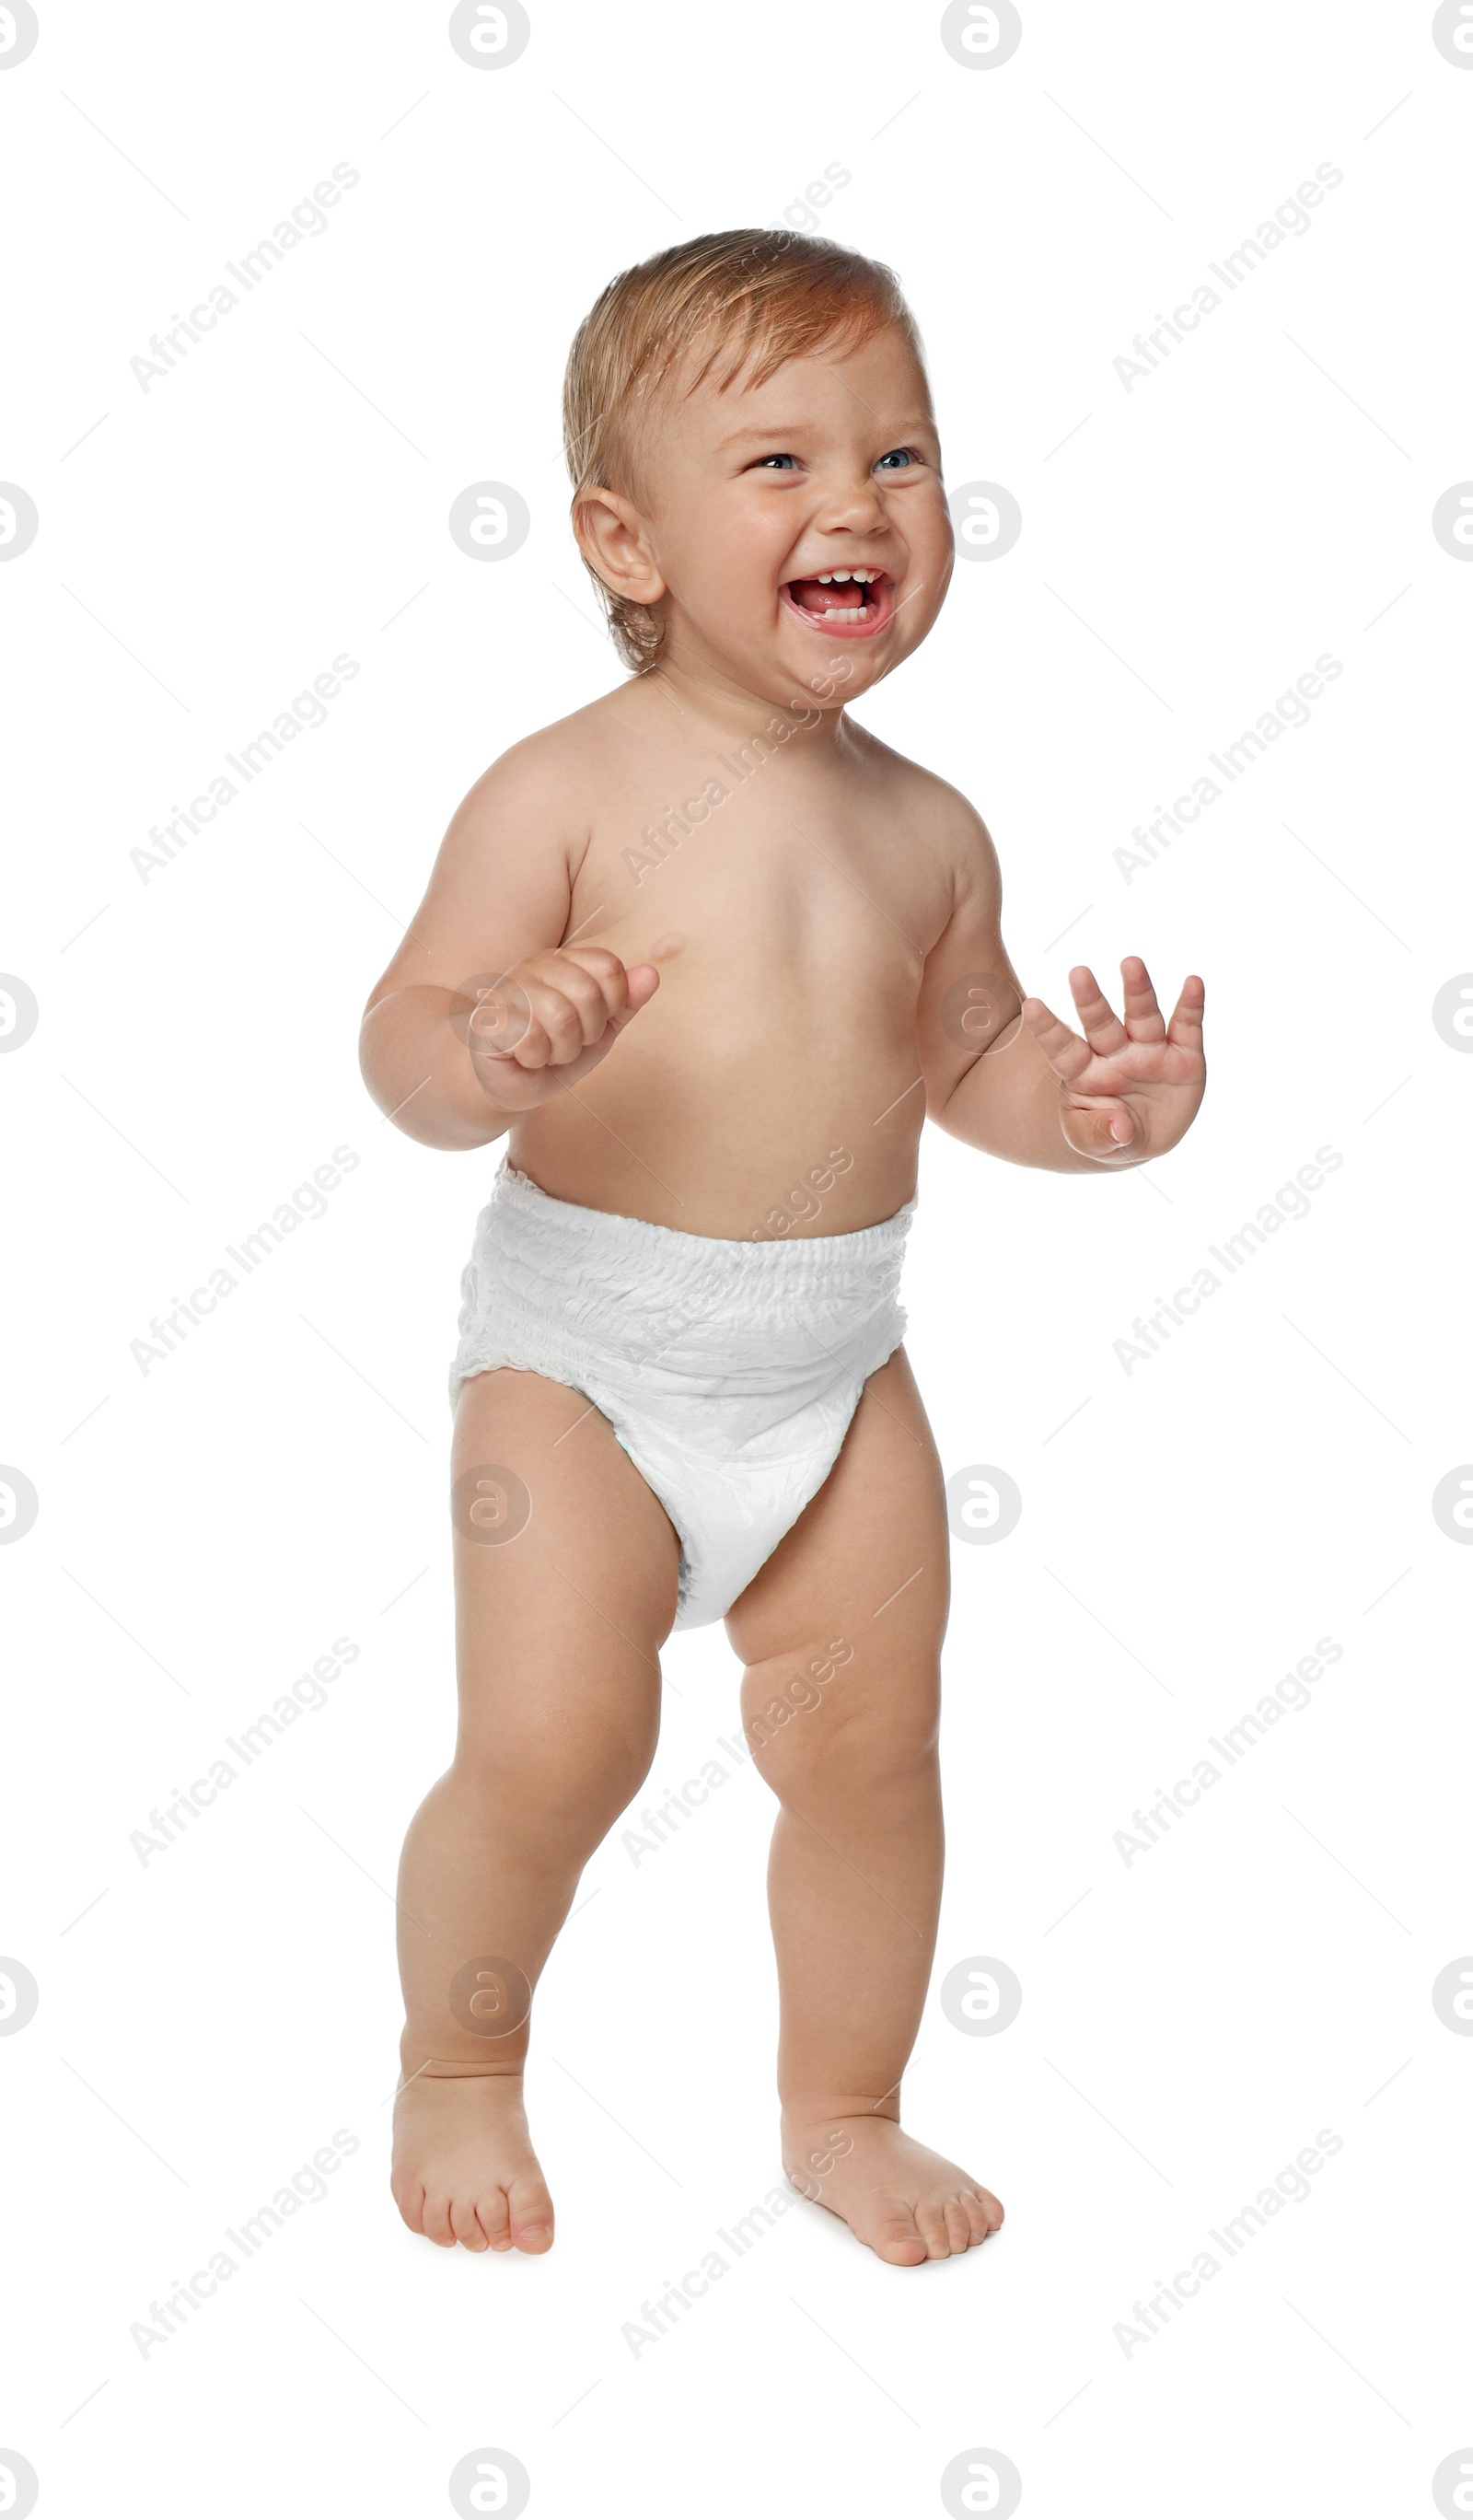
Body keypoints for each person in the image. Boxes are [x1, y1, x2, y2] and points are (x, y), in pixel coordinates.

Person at [359, 229, 1206, 2266]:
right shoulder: (558, 790)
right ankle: (458, 2065)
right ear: (619, 540)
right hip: (582, 1369)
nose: (857, 504)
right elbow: (404, 1047)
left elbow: (966, 1057)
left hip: (833, 1372)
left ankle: (844, 2106)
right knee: (558, 1744)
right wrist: (488, 1044)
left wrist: (1084, 1112)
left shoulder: (928, 827)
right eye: (777, 466)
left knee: (870, 1750)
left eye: (898, 455)